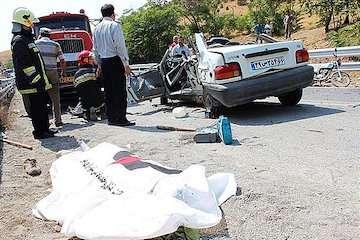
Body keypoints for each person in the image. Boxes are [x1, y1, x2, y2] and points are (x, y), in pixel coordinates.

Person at [11, 7, 55, 139]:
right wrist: (36, 79)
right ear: (23, 23)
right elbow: (26, 64)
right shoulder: (19, 40)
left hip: (36, 82)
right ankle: (40, 132)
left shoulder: (27, 39)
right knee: (37, 109)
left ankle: (45, 129)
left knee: (42, 106)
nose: (32, 25)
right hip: (31, 83)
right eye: (30, 23)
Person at [93, 4, 135, 127]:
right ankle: (121, 118)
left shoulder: (97, 28)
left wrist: (99, 65)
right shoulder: (114, 25)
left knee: (109, 91)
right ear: (113, 14)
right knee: (120, 91)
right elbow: (120, 46)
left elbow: (95, 49)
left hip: (104, 62)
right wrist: (126, 63)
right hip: (115, 60)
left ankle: (111, 118)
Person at [35, 27, 66, 127]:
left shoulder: (35, 44)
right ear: (50, 35)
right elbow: (62, 60)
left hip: (41, 73)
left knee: (41, 98)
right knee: (55, 98)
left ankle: (45, 122)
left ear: (40, 34)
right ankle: (58, 121)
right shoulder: (55, 44)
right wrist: (62, 71)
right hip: (53, 72)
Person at [74, 50, 104, 121]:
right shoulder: (94, 71)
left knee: (83, 99)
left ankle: (87, 114)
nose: (92, 60)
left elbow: (77, 89)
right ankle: (103, 113)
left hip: (84, 102)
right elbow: (101, 83)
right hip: (98, 100)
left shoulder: (76, 74)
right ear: (85, 60)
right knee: (104, 92)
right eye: (90, 58)